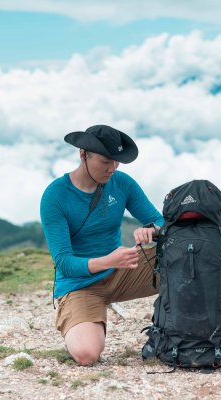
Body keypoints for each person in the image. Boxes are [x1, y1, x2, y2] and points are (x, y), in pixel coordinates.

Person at [40, 125, 164, 366]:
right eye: (106, 161)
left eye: (116, 162)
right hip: (81, 286)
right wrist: (109, 261)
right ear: (83, 154)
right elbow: (64, 263)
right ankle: (82, 318)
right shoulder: (55, 196)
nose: (112, 168)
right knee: (86, 355)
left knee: (182, 255)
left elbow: (161, 221)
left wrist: (152, 230)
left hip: (123, 272)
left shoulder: (122, 183)